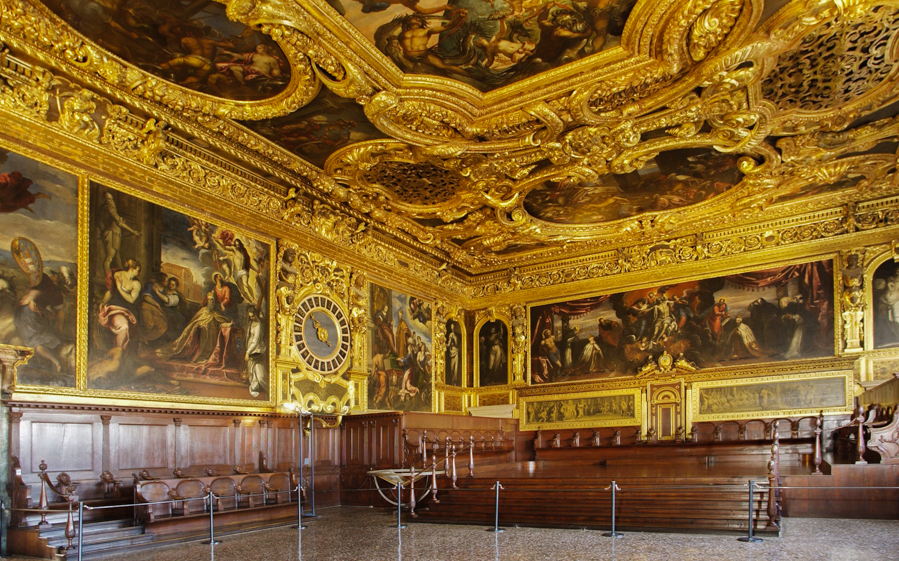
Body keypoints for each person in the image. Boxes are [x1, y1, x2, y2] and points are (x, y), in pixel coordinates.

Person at [97, 191, 140, 272]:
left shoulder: (102, 209)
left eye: (111, 199)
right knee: (109, 258)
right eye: (108, 199)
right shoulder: (110, 208)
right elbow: (119, 223)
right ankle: (108, 278)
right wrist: (133, 231)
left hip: (112, 233)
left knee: (117, 258)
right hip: (112, 234)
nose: (111, 201)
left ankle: (121, 277)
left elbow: (100, 223)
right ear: (105, 200)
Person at [245, 308, 267, 397]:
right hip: (251, 349)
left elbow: (256, 340)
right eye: (250, 317)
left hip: (257, 350)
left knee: (259, 374)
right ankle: (254, 387)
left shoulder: (258, 325)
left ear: (256, 315)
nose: (252, 318)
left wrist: (248, 352)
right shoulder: (251, 324)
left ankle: (263, 389)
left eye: (253, 316)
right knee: (251, 370)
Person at [445, 321, 461, 386]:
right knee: (452, 367)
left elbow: (458, 343)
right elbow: (449, 343)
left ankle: (455, 381)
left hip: (456, 351)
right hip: (452, 351)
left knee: (456, 367)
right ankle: (452, 380)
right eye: (451, 326)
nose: (452, 328)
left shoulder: (457, 335)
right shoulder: (451, 335)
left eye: (453, 326)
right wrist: (445, 345)